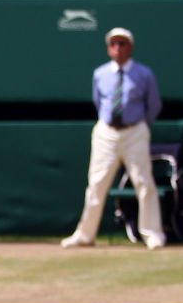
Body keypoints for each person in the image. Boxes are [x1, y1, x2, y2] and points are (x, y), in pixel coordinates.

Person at [61, 27, 167, 250]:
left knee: (143, 182)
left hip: (135, 131)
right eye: (114, 44)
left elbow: (154, 105)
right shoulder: (100, 74)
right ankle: (85, 235)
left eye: (122, 44)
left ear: (131, 48)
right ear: (109, 48)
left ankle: (152, 234)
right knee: (96, 184)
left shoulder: (144, 74)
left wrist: (138, 126)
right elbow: (99, 102)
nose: (118, 48)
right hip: (106, 133)